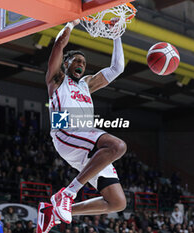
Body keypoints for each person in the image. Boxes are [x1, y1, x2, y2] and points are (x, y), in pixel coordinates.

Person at [37, 18, 127, 233]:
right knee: (118, 147)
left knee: (117, 203)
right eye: (76, 60)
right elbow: (59, 45)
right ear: (66, 64)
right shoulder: (57, 79)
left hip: (86, 143)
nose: (81, 64)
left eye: (84, 63)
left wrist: (116, 36)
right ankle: (67, 193)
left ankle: (52, 211)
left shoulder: (86, 84)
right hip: (66, 130)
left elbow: (117, 68)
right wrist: (71, 23)